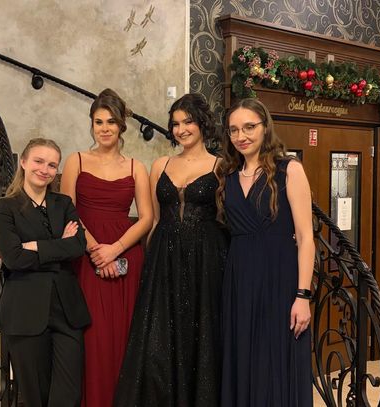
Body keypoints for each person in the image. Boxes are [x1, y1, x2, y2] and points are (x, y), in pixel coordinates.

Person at [114, 93, 228, 406]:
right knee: (158, 343)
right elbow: (152, 219)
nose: (181, 129)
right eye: (175, 124)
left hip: (205, 261)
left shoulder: (221, 166)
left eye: (188, 122)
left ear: (201, 123)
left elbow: (228, 218)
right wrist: (147, 264)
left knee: (201, 337)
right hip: (163, 260)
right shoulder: (160, 164)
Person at [217, 98, 314, 406]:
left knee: (275, 362)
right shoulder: (228, 175)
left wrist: (303, 295)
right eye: (234, 130)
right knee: (244, 358)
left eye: (249, 127)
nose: (241, 136)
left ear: (265, 127)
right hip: (239, 281)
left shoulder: (289, 169)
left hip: (279, 279)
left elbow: (306, 237)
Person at [60, 89, 153, 407]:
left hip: (126, 257)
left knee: (123, 338)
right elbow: (68, 211)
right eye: (98, 122)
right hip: (86, 257)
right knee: (93, 339)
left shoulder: (136, 167)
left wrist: (115, 250)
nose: (104, 128)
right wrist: (96, 251)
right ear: (91, 124)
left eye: (111, 122)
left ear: (121, 125)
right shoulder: (76, 161)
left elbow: (147, 218)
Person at [0, 138, 90, 407]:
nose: (44, 169)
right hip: (25, 311)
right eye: (38, 161)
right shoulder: (5, 207)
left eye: (52, 165)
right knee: (36, 396)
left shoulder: (64, 203)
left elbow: (78, 246)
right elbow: (13, 258)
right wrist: (59, 245)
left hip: (66, 310)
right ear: (24, 162)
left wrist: (33, 245)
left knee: (69, 395)